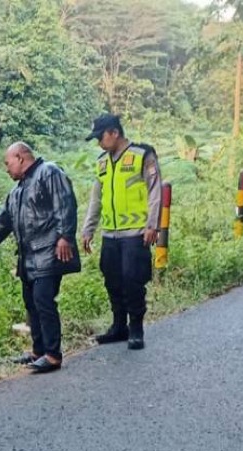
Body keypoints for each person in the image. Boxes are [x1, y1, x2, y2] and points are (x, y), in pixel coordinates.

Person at [0, 142, 80, 373]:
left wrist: (64, 237)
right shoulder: (17, 191)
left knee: (43, 300)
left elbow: (65, 203)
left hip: (49, 251)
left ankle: (53, 355)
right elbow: (3, 222)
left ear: (20, 158)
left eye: (7, 163)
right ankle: (38, 351)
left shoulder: (48, 172)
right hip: (28, 257)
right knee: (31, 303)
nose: (6, 168)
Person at [81, 114, 162, 350]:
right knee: (112, 280)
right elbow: (96, 199)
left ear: (114, 132)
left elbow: (155, 190)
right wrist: (88, 229)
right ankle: (119, 326)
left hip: (136, 233)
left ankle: (136, 327)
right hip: (110, 233)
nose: (99, 143)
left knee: (132, 280)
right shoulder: (102, 162)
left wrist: (152, 225)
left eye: (101, 137)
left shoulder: (142, 155)